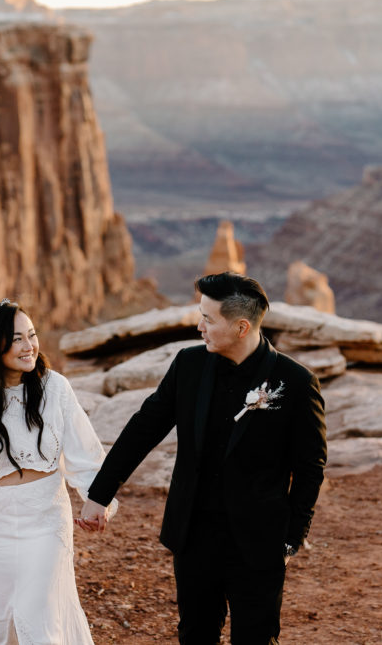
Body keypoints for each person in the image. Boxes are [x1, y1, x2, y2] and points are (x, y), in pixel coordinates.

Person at [79, 272, 327, 644]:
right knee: (194, 634)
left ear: (242, 327)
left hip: (258, 541)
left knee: (256, 640)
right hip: (193, 534)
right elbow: (143, 429)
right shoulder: (188, 365)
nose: (200, 326)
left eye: (208, 319)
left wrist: (291, 540)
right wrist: (100, 494)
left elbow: (310, 469)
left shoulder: (295, 382)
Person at [0, 299, 116, 644]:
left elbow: (85, 452)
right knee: (4, 627)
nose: (29, 346)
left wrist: (98, 501)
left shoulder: (55, 388)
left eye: (32, 335)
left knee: (38, 620)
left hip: (46, 522)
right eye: (17, 338)